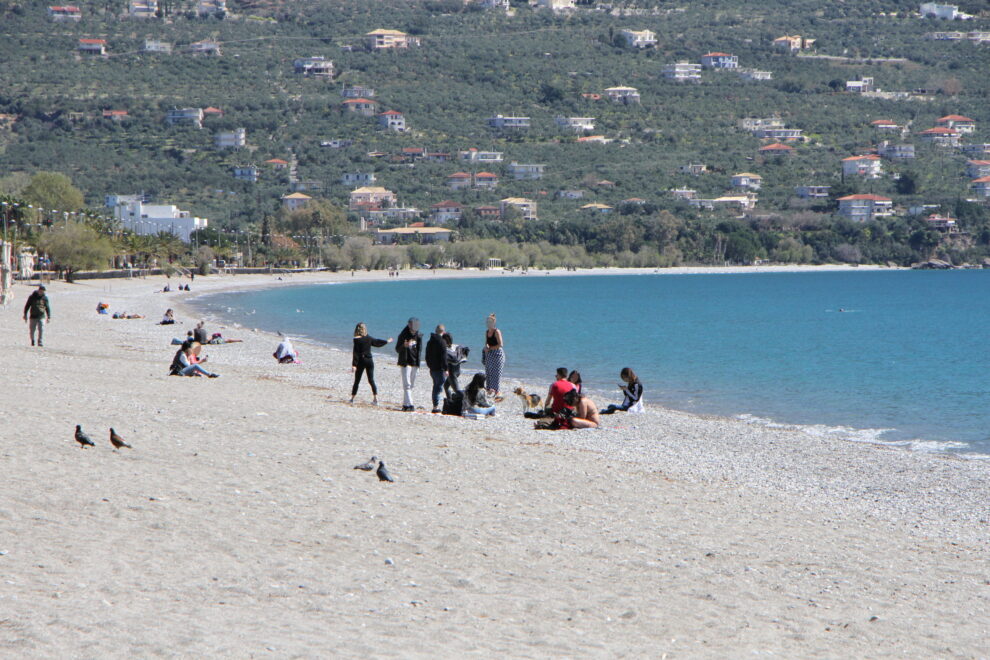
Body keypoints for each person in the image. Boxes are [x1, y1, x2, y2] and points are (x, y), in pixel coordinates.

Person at [351, 323, 391, 405]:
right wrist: (386, 341)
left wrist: (354, 365)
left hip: (361, 361)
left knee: (357, 380)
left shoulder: (356, 339)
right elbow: (377, 342)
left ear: (357, 329)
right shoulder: (368, 338)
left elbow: (356, 353)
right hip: (369, 360)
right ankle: (376, 399)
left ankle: (352, 398)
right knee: (371, 380)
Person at [395, 317, 422, 411]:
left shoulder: (418, 336)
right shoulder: (402, 335)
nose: (414, 332)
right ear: (409, 325)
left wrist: (418, 363)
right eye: (412, 330)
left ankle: (405, 405)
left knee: (411, 385)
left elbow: (419, 350)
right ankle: (411, 404)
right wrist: (404, 346)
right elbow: (397, 349)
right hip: (405, 362)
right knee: (407, 384)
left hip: (414, 362)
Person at [425, 324, 447, 413]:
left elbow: (427, 355)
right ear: (443, 332)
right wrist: (446, 369)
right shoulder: (442, 342)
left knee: (436, 386)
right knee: (438, 388)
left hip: (432, 368)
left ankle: (435, 405)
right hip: (439, 368)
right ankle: (435, 406)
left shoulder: (430, 341)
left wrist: (429, 365)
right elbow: (444, 357)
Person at [482, 313, 505, 398]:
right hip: (489, 354)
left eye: (490, 322)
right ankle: (489, 390)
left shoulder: (497, 331)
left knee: (496, 374)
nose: (488, 323)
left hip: (498, 354)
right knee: (488, 373)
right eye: (487, 322)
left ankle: (497, 392)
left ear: (494, 323)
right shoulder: (487, 332)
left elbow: (501, 344)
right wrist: (486, 348)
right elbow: (486, 343)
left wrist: (490, 348)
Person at [443, 333, 469, 398]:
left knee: (457, 390)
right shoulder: (456, 346)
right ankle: (450, 401)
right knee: (446, 386)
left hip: (452, 372)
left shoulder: (445, 350)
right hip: (458, 370)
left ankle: (468, 400)